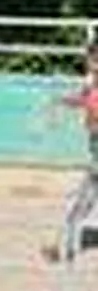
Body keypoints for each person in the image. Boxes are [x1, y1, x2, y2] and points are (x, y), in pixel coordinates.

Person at [42, 40, 98, 263]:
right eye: (90, 59)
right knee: (81, 200)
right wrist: (62, 101)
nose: (90, 64)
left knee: (80, 199)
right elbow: (84, 100)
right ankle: (63, 247)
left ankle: (63, 249)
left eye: (93, 59)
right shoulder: (92, 83)